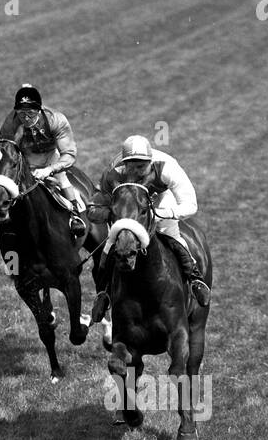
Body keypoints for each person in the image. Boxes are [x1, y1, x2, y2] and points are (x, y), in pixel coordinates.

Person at [90, 135, 211, 317]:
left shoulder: (166, 168)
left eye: (141, 167)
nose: (137, 172)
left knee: (170, 234)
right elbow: (92, 209)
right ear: (124, 164)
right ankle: (103, 293)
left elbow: (191, 205)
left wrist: (162, 214)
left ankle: (194, 278)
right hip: (129, 207)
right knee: (111, 243)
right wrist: (113, 214)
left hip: (161, 202)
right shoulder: (113, 174)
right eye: (132, 167)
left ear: (150, 161)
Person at [0, 83, 87, 239]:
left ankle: (74, 215)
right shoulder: (11, 122)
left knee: (62, 179)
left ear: (39, 109)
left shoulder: (56, 119)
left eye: (30, 113)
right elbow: (6, 149)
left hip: (50, 155)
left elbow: (69, 154)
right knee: (9, 184)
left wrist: (49, 170)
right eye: (22, 114)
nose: (26, 118)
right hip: (26, 157)